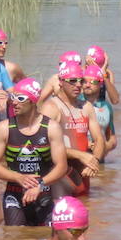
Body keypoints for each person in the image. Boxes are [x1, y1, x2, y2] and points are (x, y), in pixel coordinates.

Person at [0, 78, 68, 226]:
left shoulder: (51, 127)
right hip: (14, 193)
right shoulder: (4, 128)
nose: (14, 102)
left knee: (48, 236)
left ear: (33, 101)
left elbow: (61, 166)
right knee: (15, 238)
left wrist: (40, 184)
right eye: (13, 97)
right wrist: (17, 177)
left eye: (20, 98)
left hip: (43, 191)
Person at [41, 60, 104, 194]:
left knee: (89, 210)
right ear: (61, 82)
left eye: (80, 81)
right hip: (60, 175)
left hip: (84, 174)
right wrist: (80, 155)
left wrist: (95, 161)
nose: (78, 85)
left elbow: (99, 139)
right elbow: (43, 145)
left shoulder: (86, 107)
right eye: (72, 81)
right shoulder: (51, 108)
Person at [81, 62, 118, 156]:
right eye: (84, 81)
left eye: (92, 82)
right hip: (79, 159)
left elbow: (112, 139)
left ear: (100, 84)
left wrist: (103, 146)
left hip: (99, 163)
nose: (87, 85)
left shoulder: (106, 107)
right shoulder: (75, 103)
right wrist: (86, 144)